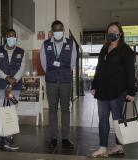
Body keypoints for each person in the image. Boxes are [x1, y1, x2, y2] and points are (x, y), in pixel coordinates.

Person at [89, 22, 135, 158]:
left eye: (115, 31)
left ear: (120, 33)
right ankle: (102, 147)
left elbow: (130, 72)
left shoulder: (126, 50)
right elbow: (99, 69)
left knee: (117, 120)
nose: (112, 33)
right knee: (102, 119)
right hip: (102, 92)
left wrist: (131, 92)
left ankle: (119, 146)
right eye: (110, 31)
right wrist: (94, 86)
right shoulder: (104, 49)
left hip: (117, 91)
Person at [40, 20, 77, 149]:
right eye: (55, 30)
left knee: (66, 109)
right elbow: (44, 63)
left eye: (60, 29)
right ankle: (53, 138)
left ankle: (66, 138)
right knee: (52, 110)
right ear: (52, 31)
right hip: (51, 82)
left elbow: (72, 63)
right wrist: (53, 74)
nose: (58, 32)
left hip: (66, 81)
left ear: (63, 30)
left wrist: (62, 73)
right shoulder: (45, 44)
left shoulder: (71, 44)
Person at [0, 29, 25, 154]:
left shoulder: (21, 52)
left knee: (11, 113)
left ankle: (9, 140)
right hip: (1, 86)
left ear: (16, 38)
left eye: (13, 36)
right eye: (9, 36)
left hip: (15, 86)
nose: (11, 38)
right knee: (0, 112)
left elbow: (21, 69)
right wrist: (6, 77)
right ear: (5, 37)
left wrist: (13, 81)